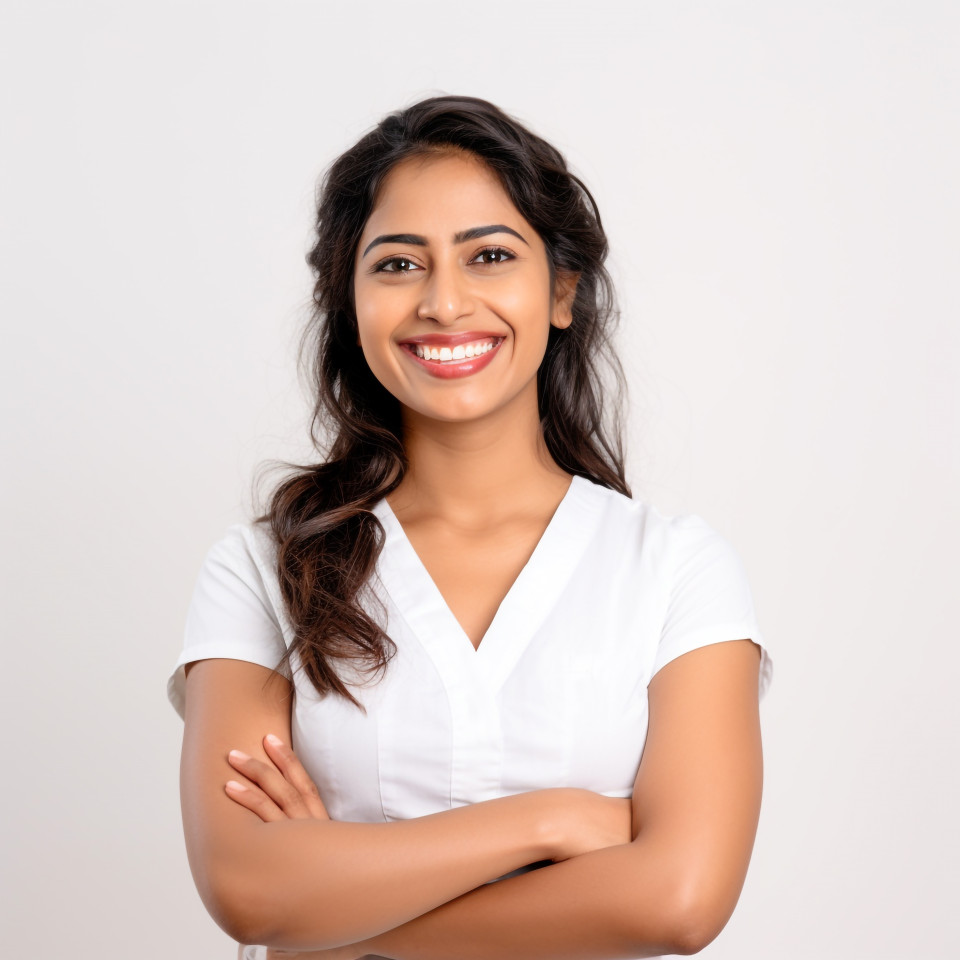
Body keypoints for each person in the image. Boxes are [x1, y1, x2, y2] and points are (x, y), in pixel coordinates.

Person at [168, 95, 773, 960]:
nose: (445, 304)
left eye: (489, 255)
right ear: (349, 300)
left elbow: (678, 899)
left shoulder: (676, 570)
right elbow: (247, 886)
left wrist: (339, 925)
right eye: (397, 264)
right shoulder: (264, 569)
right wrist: (554, 821)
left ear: (561, 290)